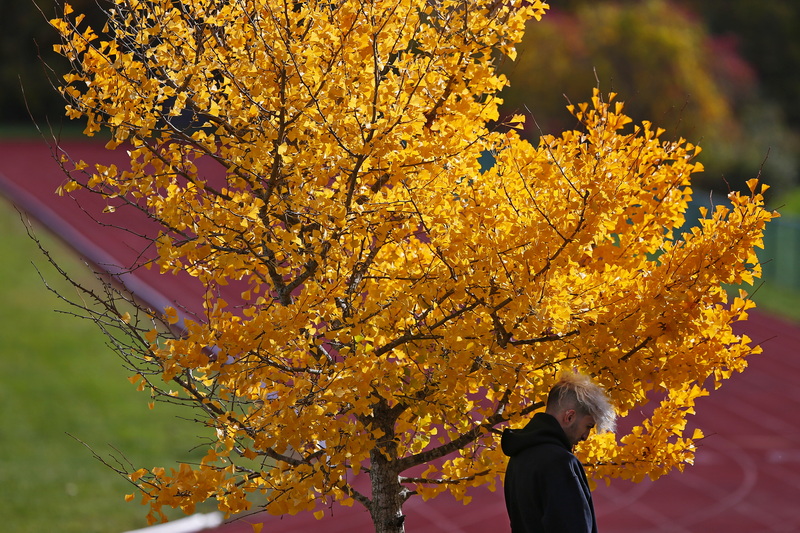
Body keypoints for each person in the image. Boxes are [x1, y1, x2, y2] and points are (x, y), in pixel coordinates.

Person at [502, 372, 616, 533]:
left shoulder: (517, 457)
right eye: (588, 426)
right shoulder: (560, 462)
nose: (585, 436)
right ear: (569, 417)